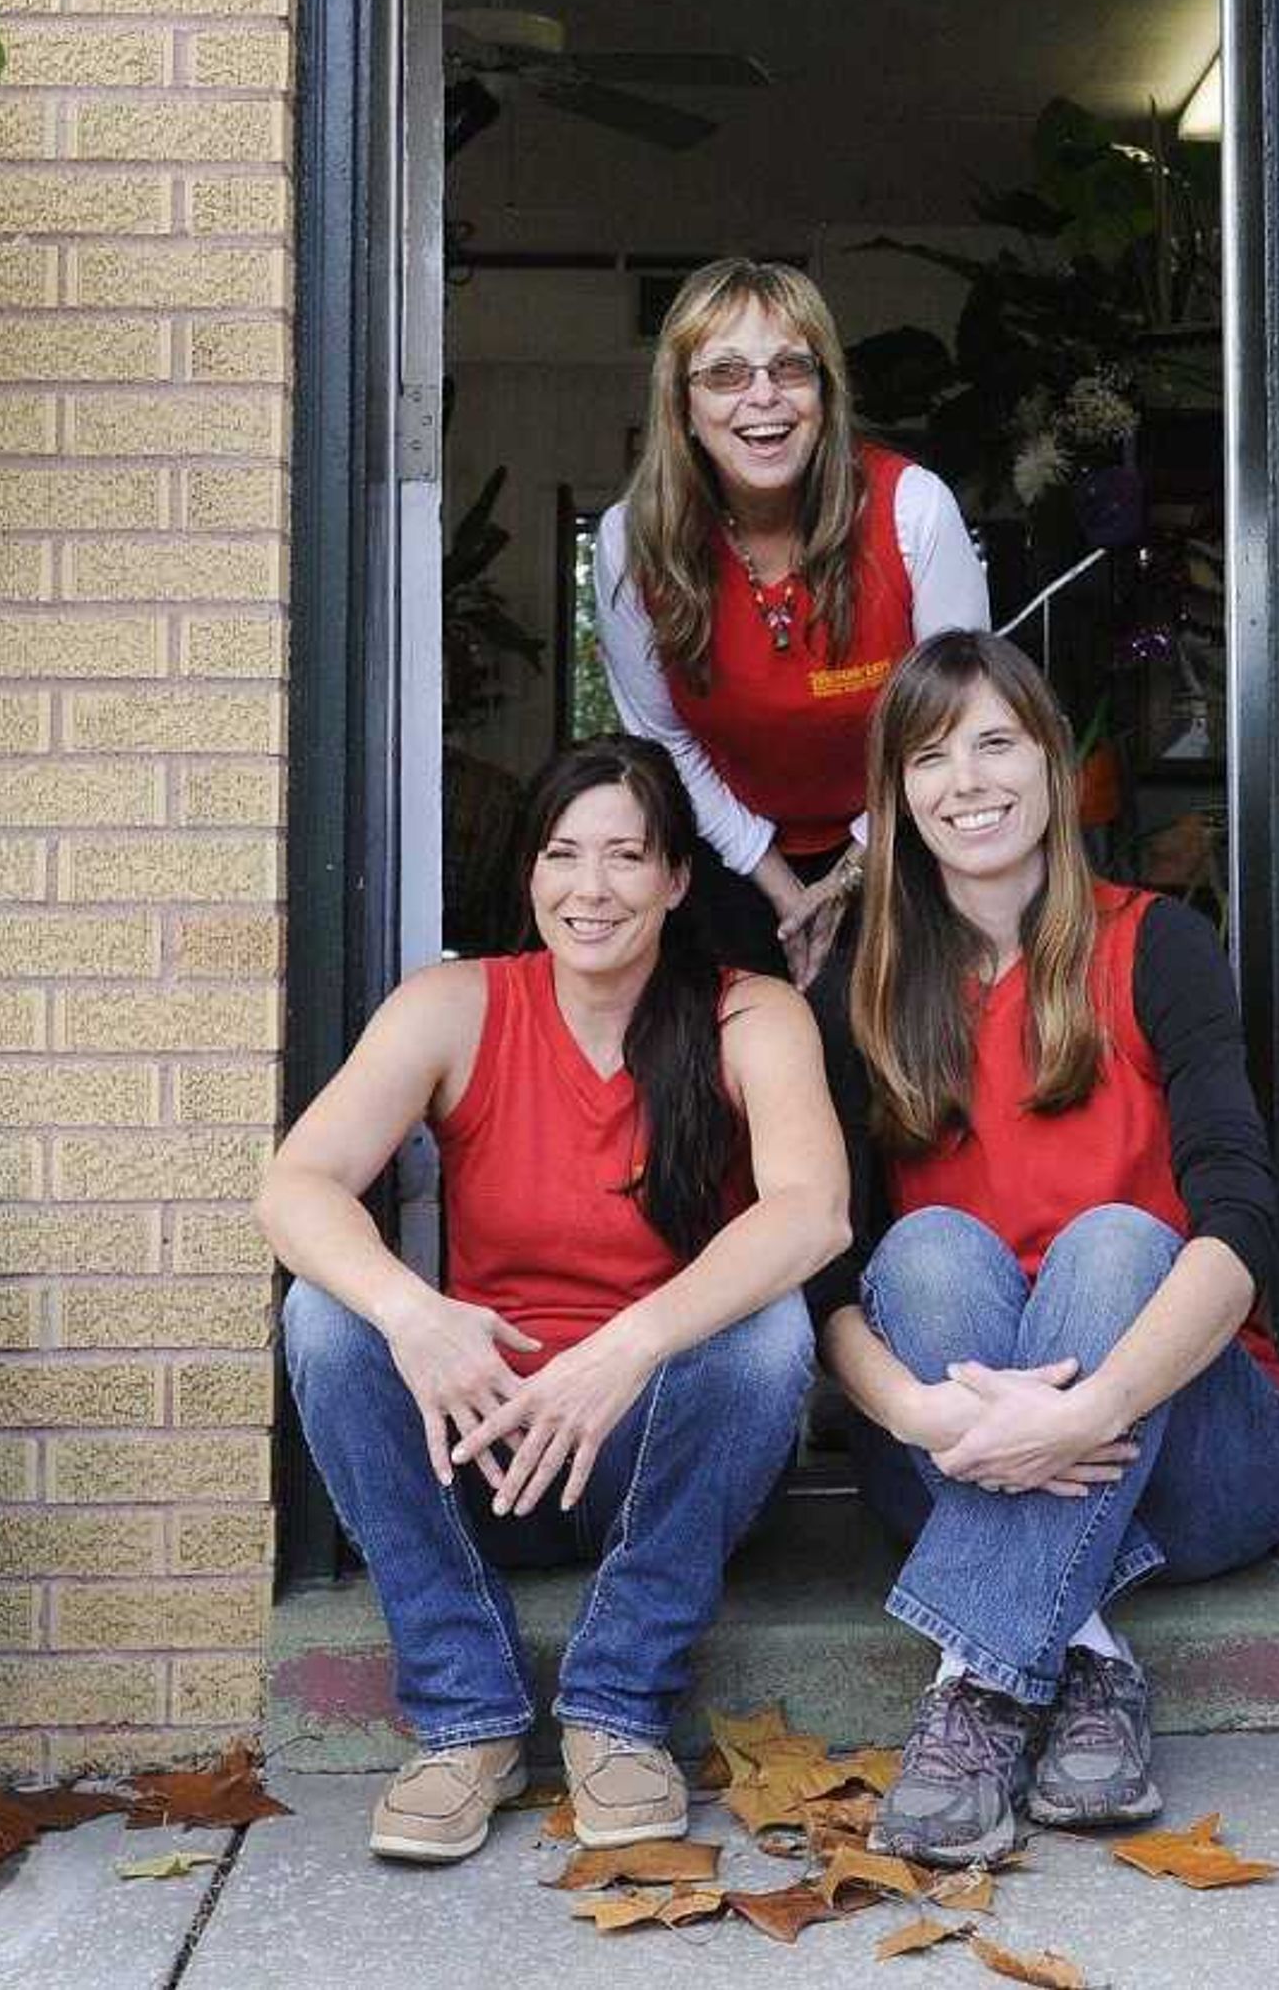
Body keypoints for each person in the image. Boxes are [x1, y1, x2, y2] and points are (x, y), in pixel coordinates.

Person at [259, 736, 851, 1865]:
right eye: (564, 853)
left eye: (627, 856)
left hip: (658, 1456)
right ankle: (465, 1716)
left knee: (771, 1331)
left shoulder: (750, 1012)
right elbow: (294, 1186)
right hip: (487, 1447)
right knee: (326, 1317)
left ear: (679, 878)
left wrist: (626, 1348)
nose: (592, 888)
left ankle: (620, 1702)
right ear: (529, 870)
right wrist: (413, 1311)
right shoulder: (453, 1002)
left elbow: (812, 1212)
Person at [812, 631, 1279, 1866]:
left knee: (1115, 1241)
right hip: (959, 1446)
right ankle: (1086, 1665)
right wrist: (923, 1419)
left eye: (996, 741)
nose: (967, 780)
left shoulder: (1160, 945)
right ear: (896, 794)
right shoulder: (862, 988)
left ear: (1053, 763)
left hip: (1196, 1441)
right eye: (931, 755)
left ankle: (975, 1688)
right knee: (924, 1246)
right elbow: (827, 1274)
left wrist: (1086, 1410)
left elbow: (1244, 1218)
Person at [596, 258, 988, 987]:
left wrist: (850, 874)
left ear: (826, 391)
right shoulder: (631, 539)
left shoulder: (914, 508)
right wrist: (781, 885)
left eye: (790, 367)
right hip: (728, 848)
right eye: (726, 374)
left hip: (908, 832)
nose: (764, 397)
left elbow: (955, 723)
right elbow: (663, 738)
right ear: (683, 404)